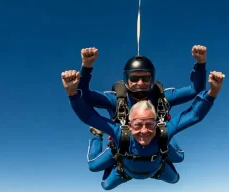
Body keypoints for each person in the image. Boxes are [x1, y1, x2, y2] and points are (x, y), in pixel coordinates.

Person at [62, 70, 225, 190]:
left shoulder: (163, 129)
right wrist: (72, 93)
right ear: (129, 123)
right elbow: (88, 116)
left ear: (157, 122)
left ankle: (165, 146)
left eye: (150, 124)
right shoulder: (120, 132)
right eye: (138, 125)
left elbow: (194, 115)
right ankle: (97, 137)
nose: (144, 131)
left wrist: (212, 93)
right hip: (124, 170)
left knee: (177, 171)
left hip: (157, 169)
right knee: (103, 183)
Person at [68, 45, 208, 168]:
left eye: (145, 78)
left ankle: (164, 142)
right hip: (123, 143)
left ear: (152, 79)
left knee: (179, 158)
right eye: (134, 78)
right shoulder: (115, 99)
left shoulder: (162, 98)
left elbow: (195, 90)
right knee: (94, 166)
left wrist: (200, 63)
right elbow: (84, 96)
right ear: (126, 80)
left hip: (155, 140)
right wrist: (86, 66)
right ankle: (97, 135)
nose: (140, 83)